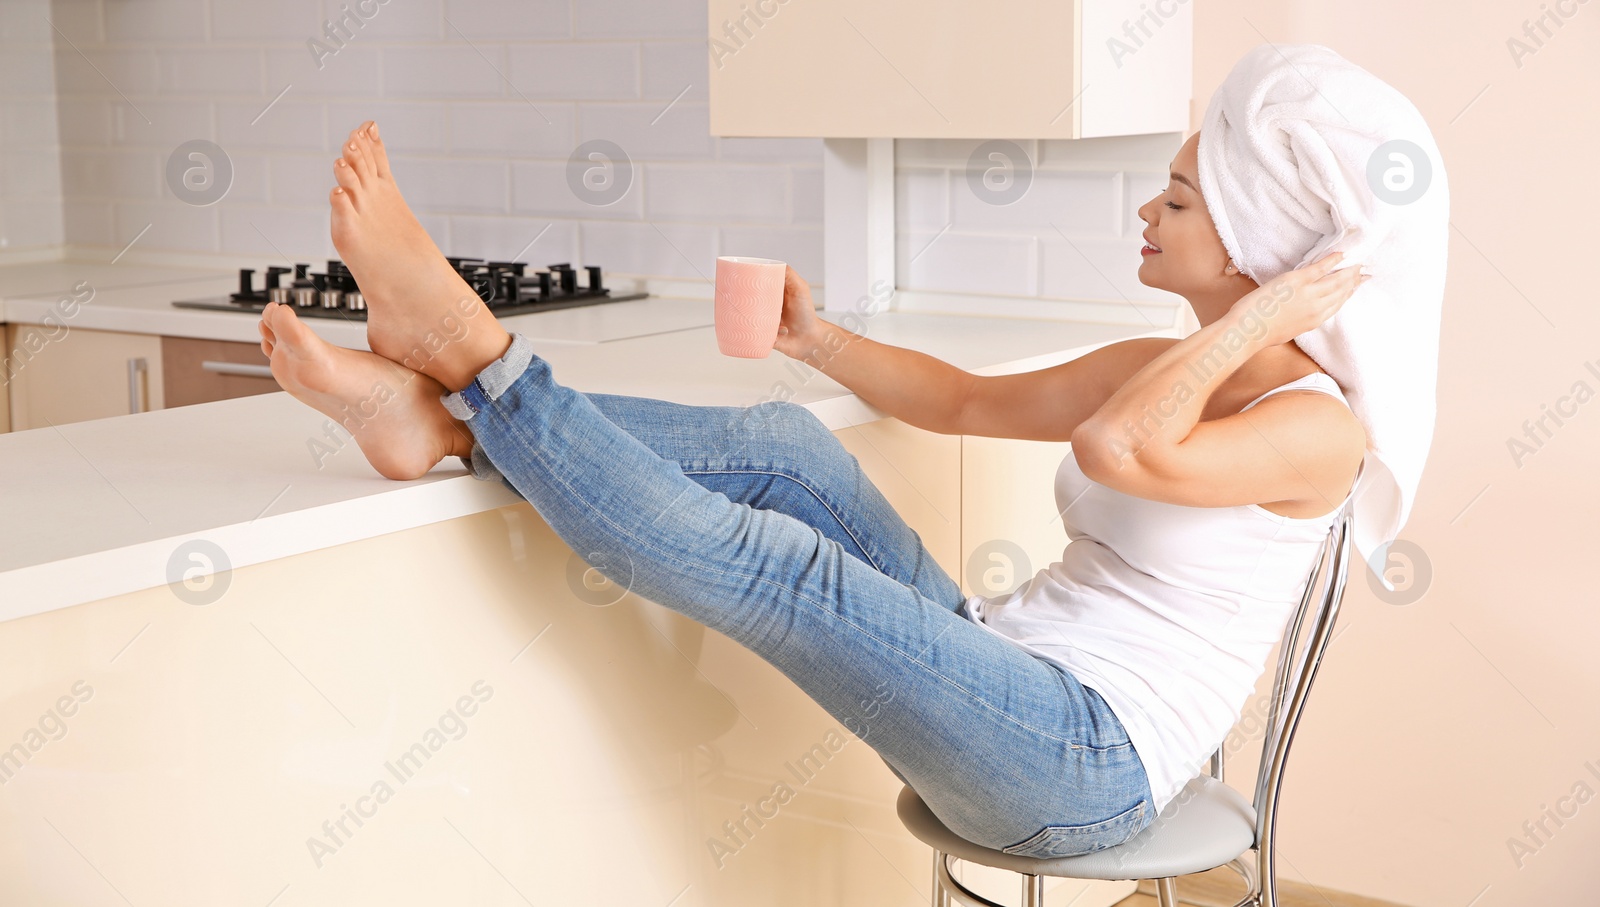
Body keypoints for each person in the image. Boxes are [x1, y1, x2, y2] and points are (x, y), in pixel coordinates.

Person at [258, 118, 1365, 860]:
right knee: (789, 452)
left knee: (787, 567)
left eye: (1176, 199)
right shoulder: (1156, 365)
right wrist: (812, 336)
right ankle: (449, 427)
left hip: (1080, 764)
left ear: (1253, 242)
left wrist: (1265, 316)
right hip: (1003, 671)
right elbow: (968, 401)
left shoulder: (1315, 428)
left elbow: (1128, 448)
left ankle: (470, 353)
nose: (1145, 212)